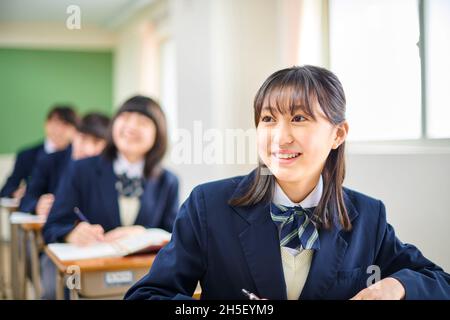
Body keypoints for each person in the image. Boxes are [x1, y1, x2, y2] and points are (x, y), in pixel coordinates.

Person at [124, 66, 450, 300]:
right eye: (268, 119)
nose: (280, 137)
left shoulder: (367, 216)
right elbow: (149, 294)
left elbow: (440, 281)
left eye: (299, 118)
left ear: (338, 134)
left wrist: (395, 287)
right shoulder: (208, 205)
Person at [43, 95, 179, 246]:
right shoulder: (80, 169)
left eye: (143, 122)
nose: (131, 127)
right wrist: (71, 234)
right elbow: (52, 226)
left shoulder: (169, 181)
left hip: (147, 269)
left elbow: (174, 236)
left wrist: (144, 233)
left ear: (158, 135)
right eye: (125, 117)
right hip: (92, 265)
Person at [19, 112, 110, 216]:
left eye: (96, 142)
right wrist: (38, 205)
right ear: (74, 134)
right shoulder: (49, 161)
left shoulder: (108, 168)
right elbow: (26, 200)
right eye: (83, 138)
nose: (88, 149)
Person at [0, 105, 78, 199]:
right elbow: (7, 189)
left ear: (74, 130)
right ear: (46, 124)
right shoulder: (27, 155)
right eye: (56, 123)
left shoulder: (78, 156)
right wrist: (16, 193)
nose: (59, 130)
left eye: (65, 125)